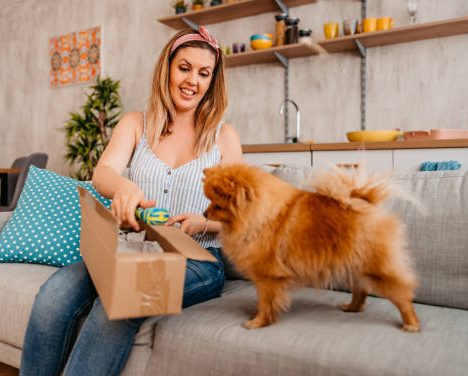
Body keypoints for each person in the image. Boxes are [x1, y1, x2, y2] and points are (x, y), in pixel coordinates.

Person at [20, 26, 243, 376]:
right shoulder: (136, 124)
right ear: (167, 68)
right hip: (130, 248)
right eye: (184, 68)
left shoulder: (223, 138)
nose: (192, 81)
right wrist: (124, 188)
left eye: (204, 73)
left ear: (212, 81)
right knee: (54, 295)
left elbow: (242, 216)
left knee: (120, 303)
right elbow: (104, 172)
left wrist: (203, 223)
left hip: (197, 258)